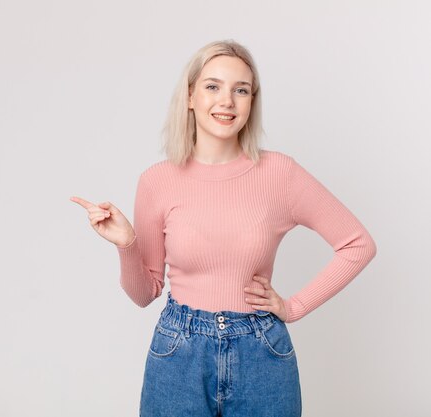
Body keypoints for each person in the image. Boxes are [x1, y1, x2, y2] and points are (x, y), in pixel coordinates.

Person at [70, 39, 377, 417]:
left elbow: (357, 244)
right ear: (190, 96)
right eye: (213, 86)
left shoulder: (280, 174)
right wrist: (126, 243)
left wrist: (294, 307)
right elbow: (144, 293)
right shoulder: (157, 181)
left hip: (261, 352)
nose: (227, 101)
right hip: (179, 353)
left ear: (252, 101)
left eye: (241, 90)